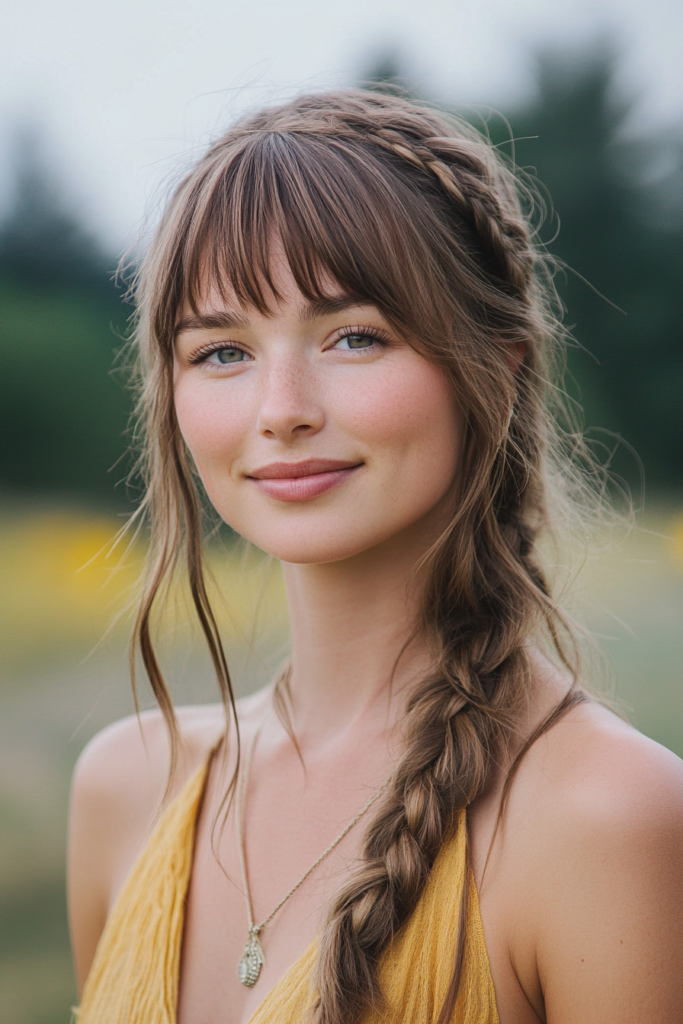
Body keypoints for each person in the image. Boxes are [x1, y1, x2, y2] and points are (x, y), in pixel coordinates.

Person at [67, 89, 683, 1024]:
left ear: (498, 367)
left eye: (354, 336)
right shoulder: (124, 787)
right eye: (221, 351)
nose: (281, 407)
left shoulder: (610, 819)